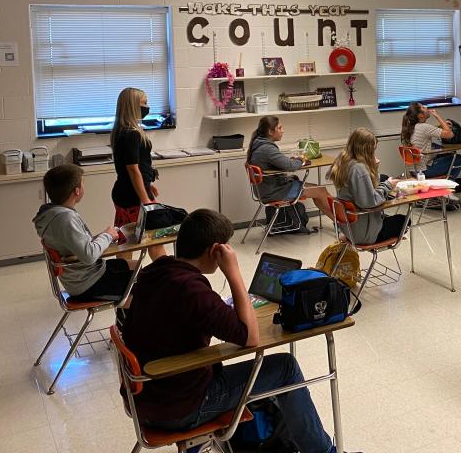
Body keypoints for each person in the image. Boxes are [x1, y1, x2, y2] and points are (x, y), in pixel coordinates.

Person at [121, 209, 351, 453]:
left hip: (144, 399)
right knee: (285, 367)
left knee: (260, 372)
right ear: (215, 251)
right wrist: (233, 272)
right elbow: (250, 338)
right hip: (177, 408)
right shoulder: (192, 290)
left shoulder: (157, 271)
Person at [33, 163, 137, 302]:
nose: (84, 187)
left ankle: (122, 322)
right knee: (143, 288)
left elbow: (77, 245)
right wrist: (107, 236)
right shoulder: (65, 219)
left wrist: (104, 236)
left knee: (136, 266)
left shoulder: (53, 213)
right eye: (83, 184)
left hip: (88, 273)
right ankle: (129, 319)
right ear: (77, 191)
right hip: (88, 283)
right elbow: (89, 255)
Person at [247, 115, 331, 231]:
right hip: (275, 192)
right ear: (271, 131)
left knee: (318, 192)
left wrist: (293, 161)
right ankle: (343, 223)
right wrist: (300, 160)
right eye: (280, 128)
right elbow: (290, 166)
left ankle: (338, 223)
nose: (283, 131)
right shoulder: (267, 149)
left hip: (265, 191)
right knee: (321, 191)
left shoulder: (259, 144)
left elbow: (282, 163)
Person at [110, 87, 165, 259]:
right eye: (144, 103)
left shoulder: (121, 132)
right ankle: (169, 275)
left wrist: (149, 184)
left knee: (125, 240)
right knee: (154, 240)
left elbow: (139, 166)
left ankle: (123, 276)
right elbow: (133, 170)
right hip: (134, 197)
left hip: (124, 194)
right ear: (133, 106)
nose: (147, 107)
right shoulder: (132, 134)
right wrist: (145, 200)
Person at [328, 128, 404, 246]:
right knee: (404, 221)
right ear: (366, 149)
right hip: (365, 233)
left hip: (349, 229)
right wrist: (387, 185)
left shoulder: (342, 162)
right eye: (373, 149)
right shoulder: (359, 169)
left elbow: (366, 189)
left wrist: (374, 169)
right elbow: (370, 201)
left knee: (383, 178)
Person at [401, 102, 461, 180]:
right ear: (421, 115)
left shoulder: (411, 127)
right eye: (423, 107)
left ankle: (444, 184)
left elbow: (430, 131)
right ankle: (448, 184)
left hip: (413, 170)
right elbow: (450, 134)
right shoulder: (424, 127)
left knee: (448, 154)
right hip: (424, 171)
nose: (426, 107)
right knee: (458, 158)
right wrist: (437, 116)